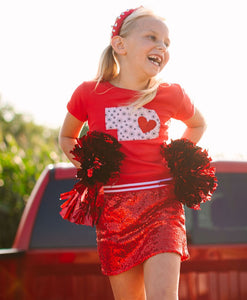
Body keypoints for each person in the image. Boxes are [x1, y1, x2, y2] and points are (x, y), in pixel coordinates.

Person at [59, 6, 207, 300]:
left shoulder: (171, 93)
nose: (161, 47)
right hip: (115, 211)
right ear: (120, 45)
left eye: (166, 42)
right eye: (151, 37)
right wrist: (90, 166)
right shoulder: (89, 93)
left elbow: (198, 124)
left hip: (162, 205)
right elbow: (66, 136)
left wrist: (179, 160)